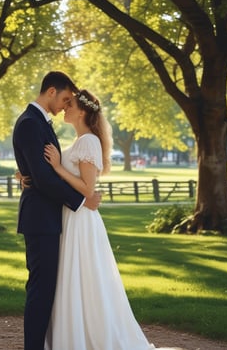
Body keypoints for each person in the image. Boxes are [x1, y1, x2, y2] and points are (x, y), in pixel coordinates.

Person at [43, 89, 175, 350]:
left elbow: (88, 189)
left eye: (69, 105)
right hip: (70, 219)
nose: (64, 108)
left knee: (85, 278)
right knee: (72, 279)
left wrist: (58, 168)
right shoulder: (77, 142)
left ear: (82, 111)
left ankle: (90, 337)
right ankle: (71, 334)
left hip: (81, 221)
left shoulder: (89, 142)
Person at [12, 72, 101, 350]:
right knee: (41, 289)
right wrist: (81, 200)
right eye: (64, 98)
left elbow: (40, 171)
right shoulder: (30, 123)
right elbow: (43, 177)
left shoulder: (39, 123)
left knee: (48, 289)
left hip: (48, 219)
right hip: (41, 220)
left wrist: (26, 173)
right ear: (51, 91)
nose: (65, 105)